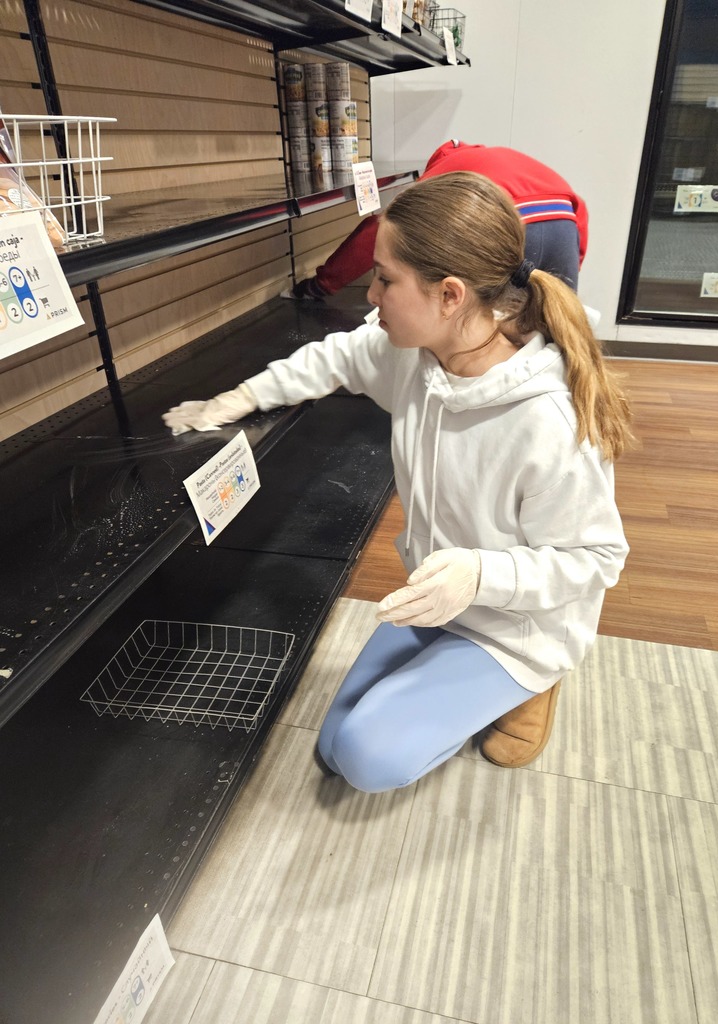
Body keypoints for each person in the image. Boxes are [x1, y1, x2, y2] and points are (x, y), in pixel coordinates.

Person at [163, 172, 631, 793]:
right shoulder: (415, 352)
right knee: (332, 749)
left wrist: (481, 576)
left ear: (450, 295)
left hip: (518, 626)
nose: (370, 295)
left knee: (364, 758)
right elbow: (336, 357)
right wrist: (241, 396)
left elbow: (596, 557)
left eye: (385, 278)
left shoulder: (548, 418)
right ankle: (444, 682)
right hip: (435, 601)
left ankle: (538, 682)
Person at [286, 140, 589, 298]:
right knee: (558, 331)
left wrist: (320, 285)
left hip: (505, 224)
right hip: (565, 222)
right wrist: (570, 263)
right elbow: (580, 214)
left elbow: (382, 231)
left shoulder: (446, 174)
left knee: (497, 336)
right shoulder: (495, 157)